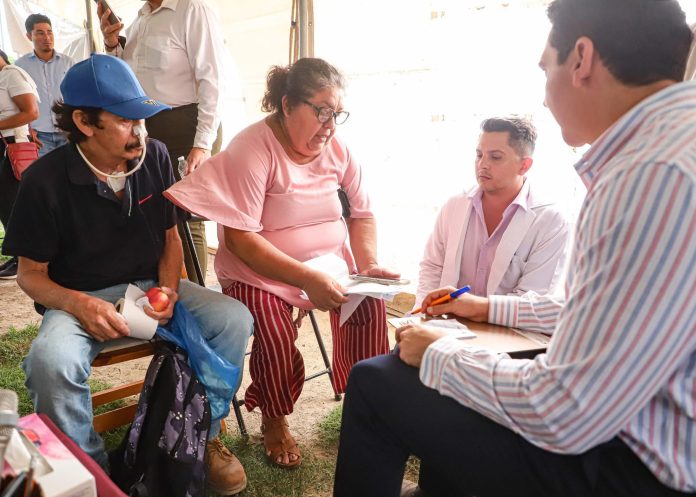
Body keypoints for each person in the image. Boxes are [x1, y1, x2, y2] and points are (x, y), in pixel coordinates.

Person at [333, 0, 696, 496]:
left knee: (377, 383)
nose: (545, 97)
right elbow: (598, 310)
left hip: (631, 465)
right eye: (479, 155)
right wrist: (472, 310)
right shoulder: (672, 148)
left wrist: (440, 353)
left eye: (545, 68)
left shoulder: (648, 176)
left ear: (582, 59)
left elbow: (565, 411)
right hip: (632, 422)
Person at [1, 54, 253, 496]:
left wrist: (169, 289)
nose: (140, 132)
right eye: (125, 120)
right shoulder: (43, 180)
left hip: (150, 287)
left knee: (234, 319)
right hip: (78, 298)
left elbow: (171, 237)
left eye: (142, 119)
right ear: (83, 122)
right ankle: (92, 473)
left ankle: (204, 435)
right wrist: (79, 303)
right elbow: (30, 275)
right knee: (49, 362)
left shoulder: (155, 156)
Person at [165, 57, 399, 469]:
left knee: (369, 304)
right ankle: (274, 419)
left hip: (326, 266)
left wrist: (368, 265)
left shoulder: (338, 149)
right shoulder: (253, 148)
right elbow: (241, 239)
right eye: (322, 111)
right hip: (257, 272)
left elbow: (362, 214)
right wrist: (305, 277)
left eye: (337, 114)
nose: (330, 125)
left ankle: (366, 405)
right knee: (273, 329)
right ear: (288, 105)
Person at [98, 0, 227, 285]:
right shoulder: (141, 18)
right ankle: (164, 289)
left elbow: (213, 79)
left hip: (188, 128)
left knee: (185, 219)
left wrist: (202, 144)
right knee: (153, 215)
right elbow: (127, 77)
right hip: (148, 128)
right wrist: (111, 43)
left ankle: (192, 294)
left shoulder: (193, 9)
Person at [417, 116, 568, 334]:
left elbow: (532, 300)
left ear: (524, 165)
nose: (482, 164)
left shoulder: (550, 220)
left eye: (495, 157)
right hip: (443, 330)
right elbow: (432, 267)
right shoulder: (455, 205)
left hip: (507, 338)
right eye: (479, 155)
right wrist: (424, 317)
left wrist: (476, 312)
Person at [0, 48, 39, 280]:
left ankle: (25, 259)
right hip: (4, 144)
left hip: (12, 145)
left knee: (13, 203)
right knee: (5, 204)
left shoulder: (12, 74)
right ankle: (17, 256)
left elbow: (31, 112)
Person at [15, 13, 75, 157]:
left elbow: (77, 95)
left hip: (67, 131)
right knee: (44, 171)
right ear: (29, 36)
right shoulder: (20, 66)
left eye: (49, 32)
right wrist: (27, 131)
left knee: (71, 169)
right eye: (40, 33)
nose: (47, 38)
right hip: (39, 136)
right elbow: (17, 103)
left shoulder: (68, 62)